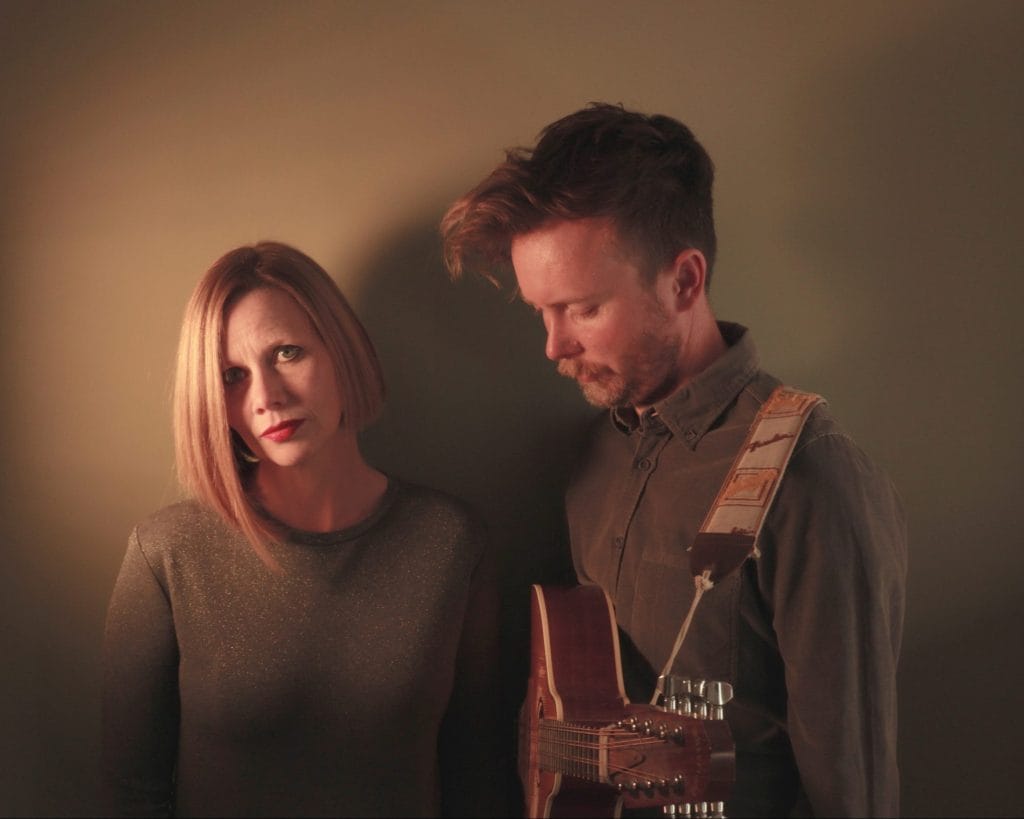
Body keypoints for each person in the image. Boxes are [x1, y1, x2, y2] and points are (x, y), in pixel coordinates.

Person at [440, 103, 908, 817]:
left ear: (684, 281)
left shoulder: (811, 476)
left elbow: (854, 790)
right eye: (542, 311)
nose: (553, 346)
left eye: (582, 308)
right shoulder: (592, 457)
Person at [101, 241, 504, 817]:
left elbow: (476, 777)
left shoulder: (451, 542)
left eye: (288, 353)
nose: (266, 397)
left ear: (343, 351)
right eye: (232, 376)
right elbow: (131, 793)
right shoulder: (166, 553)